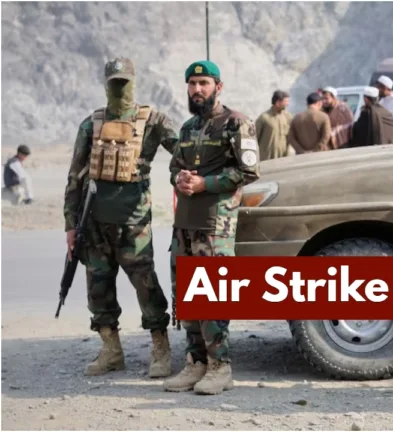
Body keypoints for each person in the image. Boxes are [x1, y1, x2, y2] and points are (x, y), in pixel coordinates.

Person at [63, 57, 178, 378]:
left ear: (133, 82)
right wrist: (70, 225)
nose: (119, 88)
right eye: (114, 83)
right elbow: (74, 178)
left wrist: (186, 178)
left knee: (146, 286)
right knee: (98, 288)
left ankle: (160, 347)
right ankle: (111, 350)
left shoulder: (153, 121)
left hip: (133, 224)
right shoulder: (91, 125)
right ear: (105, 84)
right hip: (94, 225)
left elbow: (184, 153)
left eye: (124, 83)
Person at [163, 60, 260, 395]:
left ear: (218, 86)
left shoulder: (237, 123)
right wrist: (179, 177)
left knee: (212, 295)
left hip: (215, 225)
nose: (197, 89)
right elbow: (174, 166)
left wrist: (206, 183)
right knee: (186, 295)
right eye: (192, 84)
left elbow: (248, 172)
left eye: (203, 83)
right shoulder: (188, 127)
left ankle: (220, 367)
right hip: (185, 224)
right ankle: (196, 363)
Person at [254, 90, 293, 160]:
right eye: (285, 102)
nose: (287, 104)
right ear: (278, 103)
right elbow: (254, 137)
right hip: (268, 159)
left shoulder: (288, 117)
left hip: (284, 158)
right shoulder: (264, 118)